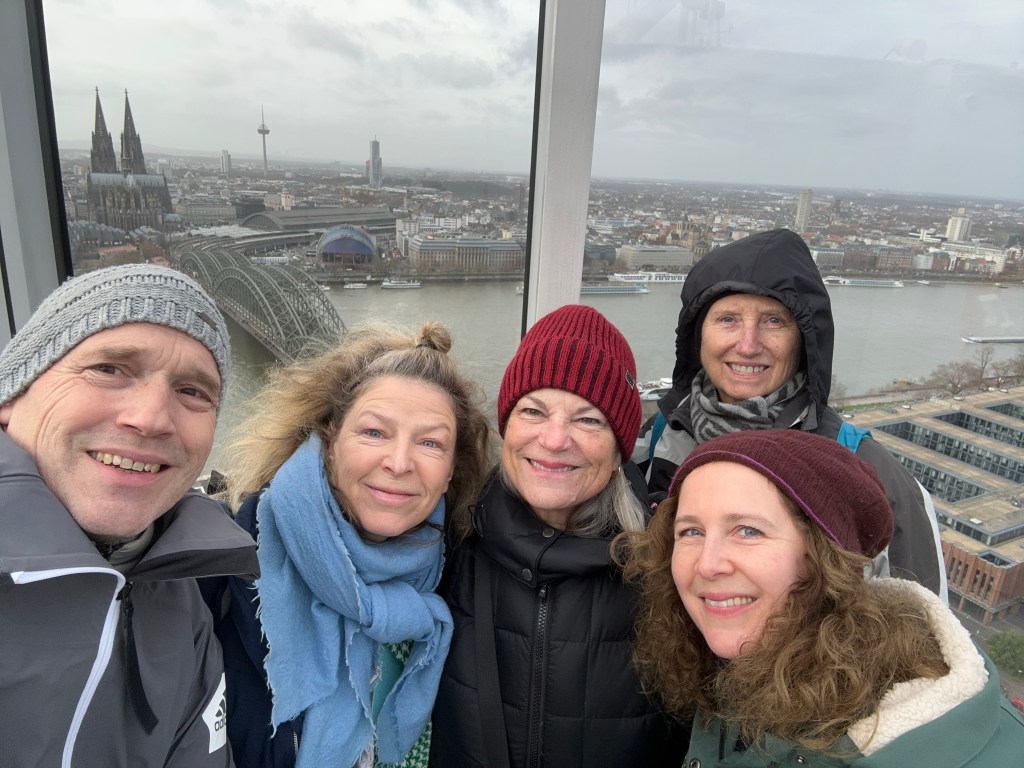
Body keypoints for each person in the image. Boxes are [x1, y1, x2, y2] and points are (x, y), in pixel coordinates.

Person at [620, 428, 1024, 766]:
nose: (707, 565)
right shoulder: (724, 668)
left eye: (748, 531)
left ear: (823, 557)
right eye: (691, 531)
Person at [0, 264, 259, 767]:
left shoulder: (177, 596)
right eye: (110, 369)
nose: (151, 418)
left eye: (193, 392)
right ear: (13, 393)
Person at [205, 320, 492, 768]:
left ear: (452, 469)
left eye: (430, 443)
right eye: (374, 433)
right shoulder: (227, 565)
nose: (399, 463)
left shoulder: (463, 576)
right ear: (330, 440)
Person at [431, 304, 689, 768]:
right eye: (533, 411)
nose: (554, 440)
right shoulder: (444, 547)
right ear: (506, 428)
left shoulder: (668, 574)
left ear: (618, 449)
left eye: (588, 419)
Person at [634, 228, 946, 597]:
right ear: (697, 336)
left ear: (804, 341)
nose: (748, 345)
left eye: (773, 321)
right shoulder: (661, 435)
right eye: (728, 319)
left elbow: (920, 621)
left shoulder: (869, 472)